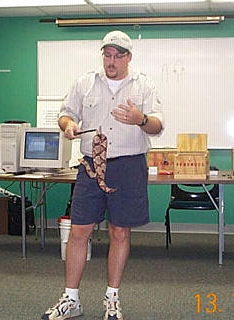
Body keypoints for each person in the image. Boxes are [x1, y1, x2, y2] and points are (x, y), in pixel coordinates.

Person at [41, 30, 164, 320]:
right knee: (79, 230)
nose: (111, 61)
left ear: (128, 57)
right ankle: (71, 300)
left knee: (120, 231)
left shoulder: (143, 85)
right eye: (107, 55)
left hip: (128, 166)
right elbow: (65, 113)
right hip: (90, 166)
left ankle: (112, 299)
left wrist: (140, 119)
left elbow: (157, 126)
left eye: (117, 56)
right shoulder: (85, 83)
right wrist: (68, 125)